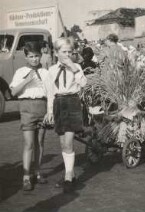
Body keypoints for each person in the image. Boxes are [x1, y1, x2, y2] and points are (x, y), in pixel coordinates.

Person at [45, 37, 87, 193]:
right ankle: (72, 174)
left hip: (72, 103)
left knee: (68, 142)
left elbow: (83, 84)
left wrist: (74, 68)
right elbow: (50, 92)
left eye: (70, 52)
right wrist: (49, 111)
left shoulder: (76, 66)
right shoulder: (51, 70)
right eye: (64, 52)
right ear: (56, 53)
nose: (67, 55)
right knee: (63, 143)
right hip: (58, 104)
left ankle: (68, 176)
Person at [9, 41, 49, 191]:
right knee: (28, 143)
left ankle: (37, 172)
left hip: (42, 107)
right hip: (26, 107)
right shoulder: (20, 72)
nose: (34, 59)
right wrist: (27, 80)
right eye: (31, 56)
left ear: (41, 55)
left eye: (37, 56)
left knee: (40, 142)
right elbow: (13, 92)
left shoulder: (46, 72)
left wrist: (49, 111)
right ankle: (26, 176)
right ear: (26, 57)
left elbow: (50, 92)